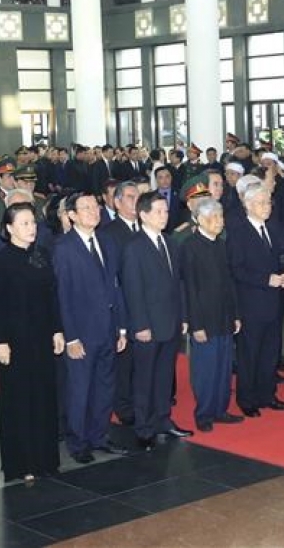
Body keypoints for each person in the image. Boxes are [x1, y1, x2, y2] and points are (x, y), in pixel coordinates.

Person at [0, 203, 64, 482]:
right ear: (9, 228)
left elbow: (52, 296)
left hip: (42, 336)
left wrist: (57, 330)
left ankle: (46, 459)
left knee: (44, 396)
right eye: (24, 224)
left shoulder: (42, 254)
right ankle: (22, 463)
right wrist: (1, 341)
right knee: (19, 400)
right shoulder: (0, 261)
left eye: (33, 223)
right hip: (15, 340)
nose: (31, 229)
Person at [52, 192, 129, 463]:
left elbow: (115, 285)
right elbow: (62, 295)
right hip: (81, 332)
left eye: (95, 206)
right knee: (80, 389)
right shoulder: (63, 247)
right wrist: (70, 337)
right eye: (85, 208)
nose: (93, 211)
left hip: (108, 328)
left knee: (104, 386)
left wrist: (121, 328)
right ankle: (78, 442)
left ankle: (99, 436)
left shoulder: (106, 240)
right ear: (71, 215)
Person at [121, 192, 193, 450]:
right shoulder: (134, 247)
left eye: (166, 211)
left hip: (170, 321)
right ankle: (144, 428)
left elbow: (179, 283)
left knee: (164, 376)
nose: (165, 216)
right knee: (145, 379)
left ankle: (163, 420)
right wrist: (140, 325)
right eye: (159, 211)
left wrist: (183, 316)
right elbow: (133, 289)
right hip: (148, 325)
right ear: (144, 215)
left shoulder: (171, 243)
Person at [226, 184, 284, 417]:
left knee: (270, 352)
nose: (268, 207)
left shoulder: (272, 229)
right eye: (263, 203)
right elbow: (237, 269)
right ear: (249, 204)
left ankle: (267, 394)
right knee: (249, 354)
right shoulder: (238, 232)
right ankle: (248, 398)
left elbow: (279, 259)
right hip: (250, 303)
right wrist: (266, 279)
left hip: (273, 302)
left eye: (269, 203)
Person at [179, 198, 244, 432]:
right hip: (204, 319)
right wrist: (196, 324)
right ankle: (204, 412)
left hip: (224, 316)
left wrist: (235, 314)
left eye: (221, 217)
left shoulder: (220, 244)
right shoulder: (190, 246)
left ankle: (220, 409)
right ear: (200, 220)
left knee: (223, 367)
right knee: (205, 368)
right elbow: (190, 289)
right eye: (214, 218)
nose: (220, 222)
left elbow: (229, 283)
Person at [99, 181, 142, 426]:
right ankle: (124, 406)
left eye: (138, 196)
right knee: (124, 361)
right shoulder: (109, 233)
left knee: (142, 361)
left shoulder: (144, 228)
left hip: (144, 304)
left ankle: (140, 400)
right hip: (123, 304)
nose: (136, 201)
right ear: (117, 202)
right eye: (129, 197)